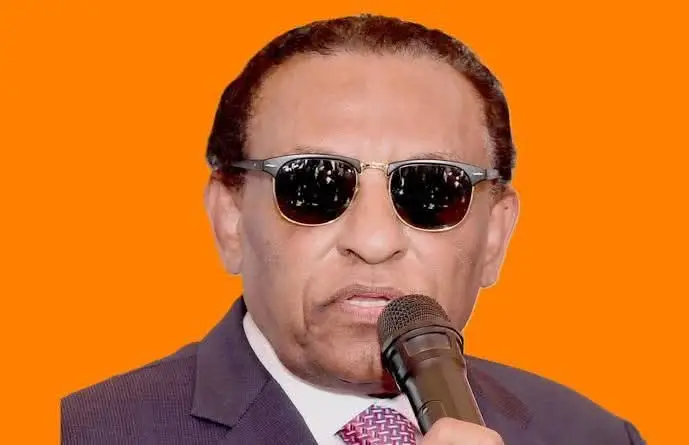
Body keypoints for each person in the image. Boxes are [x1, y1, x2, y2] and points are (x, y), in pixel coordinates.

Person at [61, 14, 646, 444]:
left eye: (431, 189)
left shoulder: (592, 436)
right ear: (231, 219)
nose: (373, 241)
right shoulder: (83, 433)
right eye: (314, 185)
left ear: (495, 235)